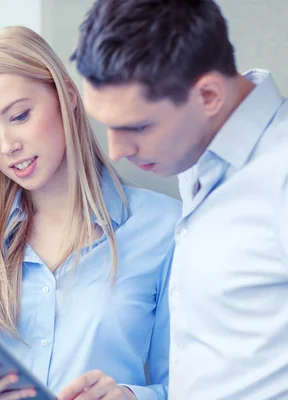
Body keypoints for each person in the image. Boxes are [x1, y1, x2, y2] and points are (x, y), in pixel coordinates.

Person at [0, 26, 181, 400]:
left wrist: (131, 396)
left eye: (20, 116)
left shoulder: (162, 227)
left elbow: (192, 386)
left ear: (67, 95)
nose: (7, 146)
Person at [72, 0, 288, 398]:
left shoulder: (279, 177)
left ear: (208, 96)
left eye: (136, 126)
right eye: (106, 126)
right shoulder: (197, 157)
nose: (116, 151)